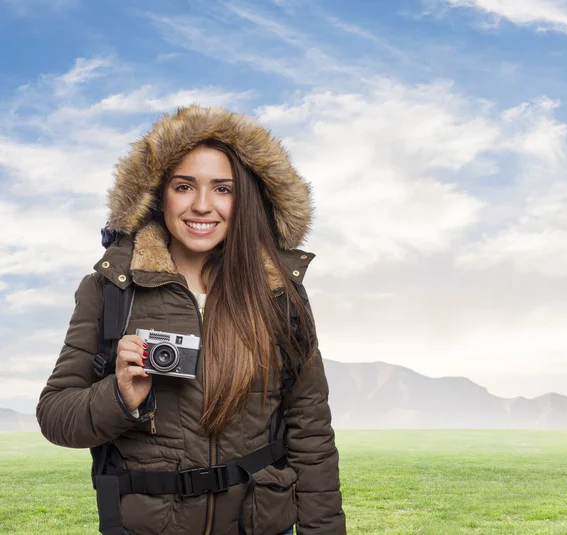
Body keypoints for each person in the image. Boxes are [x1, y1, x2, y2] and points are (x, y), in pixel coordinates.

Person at [36, 105, 346, 535]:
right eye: (184, 186)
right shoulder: (110, 290)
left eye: (223, 189)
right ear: (158, 196)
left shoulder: (280, 294)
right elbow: (55, 415)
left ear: (248, 200)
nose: (203, 206)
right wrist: (120, 397)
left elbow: (311, 436)